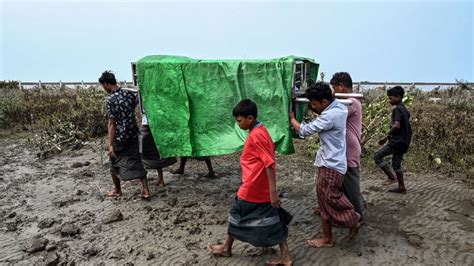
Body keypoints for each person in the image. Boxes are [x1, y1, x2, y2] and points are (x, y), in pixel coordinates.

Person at [207, 99, 292, 266]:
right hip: (259, 186)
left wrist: (273, 192)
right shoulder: (262, 130)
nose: (237, 124)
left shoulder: (256, 136)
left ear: (250, 118)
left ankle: (226, 247)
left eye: (239, 121)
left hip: (252, 187)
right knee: (273, 219)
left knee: (236, 214)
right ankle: (285, 255)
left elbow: (269, 163)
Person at [289, 82, 360, 248]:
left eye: (314, 104)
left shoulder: (330, 116)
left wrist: (292, 119)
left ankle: (353, 218)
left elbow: (305, 131)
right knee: (323, 200)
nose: (312, 108)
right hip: (330, 162)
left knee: (330, 198)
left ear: (325, 102)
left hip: (331, 165)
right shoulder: (340, 108)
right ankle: (328, 237)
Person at [99, 71, 150, 199]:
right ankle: (146, 190)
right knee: (137, 161)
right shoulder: (129, 94)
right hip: (133, 133)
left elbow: (112, 123)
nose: (103, 88)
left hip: (120, 137)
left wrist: (110, 144)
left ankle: (117, 190)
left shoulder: (110, 99)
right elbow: (138, 102)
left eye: (103, 85)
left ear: (106, 84)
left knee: (113, 163)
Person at [330, 72, 366, 216]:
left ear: (342, 86)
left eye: (335, 88)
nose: (334, 91)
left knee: (352, 185)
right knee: (344, 183)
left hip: (349, 150)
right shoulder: (348, 102)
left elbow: (332, 116)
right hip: (346, 148)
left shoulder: (350, 102)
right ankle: (355, 207)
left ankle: (359, 213)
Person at [374, 86, 412, 194]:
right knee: (396, 163)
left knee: (377, 156)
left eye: (391, 98)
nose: (389, 101)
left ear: (398, 97)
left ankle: (391, 177)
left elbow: (396, 125)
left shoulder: (397, 109)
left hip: (397, 142)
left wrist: (386, 136)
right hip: (405, 142)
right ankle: (401, 187)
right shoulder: (405, 109)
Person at [139, 111, 177, 187]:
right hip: (158, 122)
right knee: (156, 151)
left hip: (148, 124)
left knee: (142, 152)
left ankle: (145, 186)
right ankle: (160, 179)